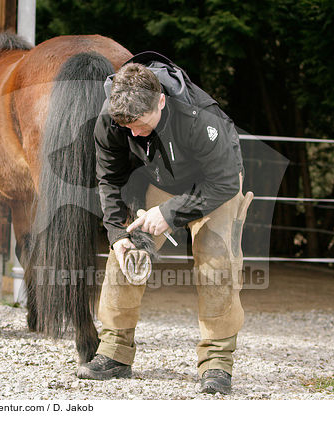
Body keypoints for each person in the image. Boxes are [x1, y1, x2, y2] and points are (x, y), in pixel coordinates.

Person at [76, 52, 252, 395]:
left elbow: (225, 182)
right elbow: (109, 179)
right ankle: (114, 353)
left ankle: (216, 363)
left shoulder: (200, 118)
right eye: (128, 127)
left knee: (216, 261)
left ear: (161, 100)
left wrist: (170, 214)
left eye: (141, 123)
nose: (135, 132)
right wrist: (115, 233)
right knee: (127, 254)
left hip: (215, 182)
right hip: (165, 179)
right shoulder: (114, 118)